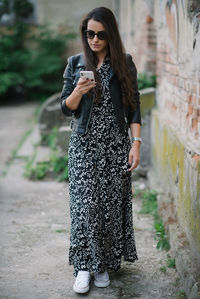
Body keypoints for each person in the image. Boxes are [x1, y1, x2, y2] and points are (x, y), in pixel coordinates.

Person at [60, 6, 142, 294]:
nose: (94, 39)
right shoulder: (75, 63)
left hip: (114, 145)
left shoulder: (124, 64)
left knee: (108, 207)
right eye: (89, 33)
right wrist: (78, 92)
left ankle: (103, 265)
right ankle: (84, 266)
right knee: (85, 207)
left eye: (101, 34)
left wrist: (136, 145)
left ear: (111, 35)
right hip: (83, 145)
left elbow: (134, 107)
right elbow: (65, 107)